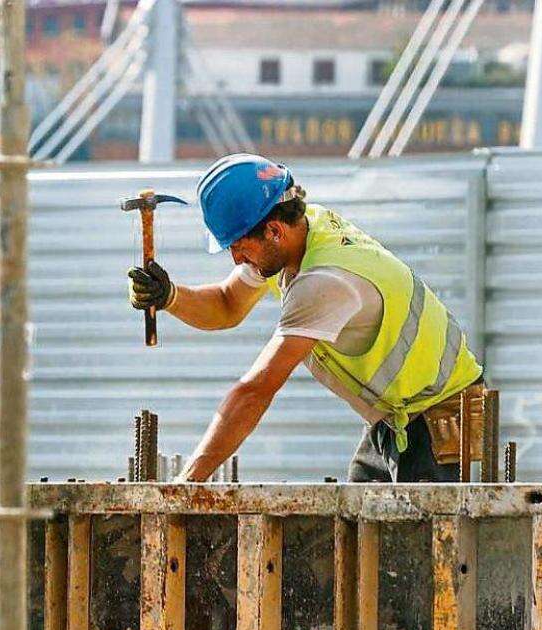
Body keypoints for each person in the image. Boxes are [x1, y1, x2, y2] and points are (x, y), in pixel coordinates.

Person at [127, 153, 485, 482]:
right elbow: (226, 304)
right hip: (398, 420)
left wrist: (186, 484)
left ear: (274, 231)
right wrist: (169, 295)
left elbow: (254, 391)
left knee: (422, 549)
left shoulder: (323, 280)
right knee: (359, 535)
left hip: (444, 425)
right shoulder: (301, 230)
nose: (236, 259)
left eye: (239, 246)